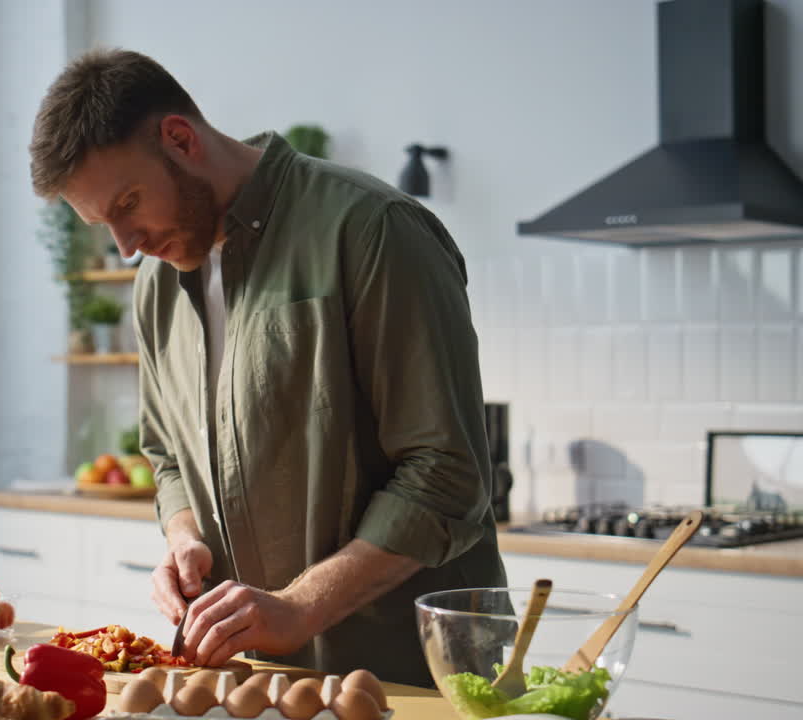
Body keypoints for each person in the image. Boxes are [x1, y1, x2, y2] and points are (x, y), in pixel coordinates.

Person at [29, 48, 506, 688]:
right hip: (254, 682)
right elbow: (166, 453)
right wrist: (182, 536)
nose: (127, 244)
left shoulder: (372, 230)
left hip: (409, 678)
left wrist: (303, 606)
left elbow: (447, 474)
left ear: (179, 138)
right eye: (103, 225)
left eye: (128, 203)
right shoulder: (156, 287)